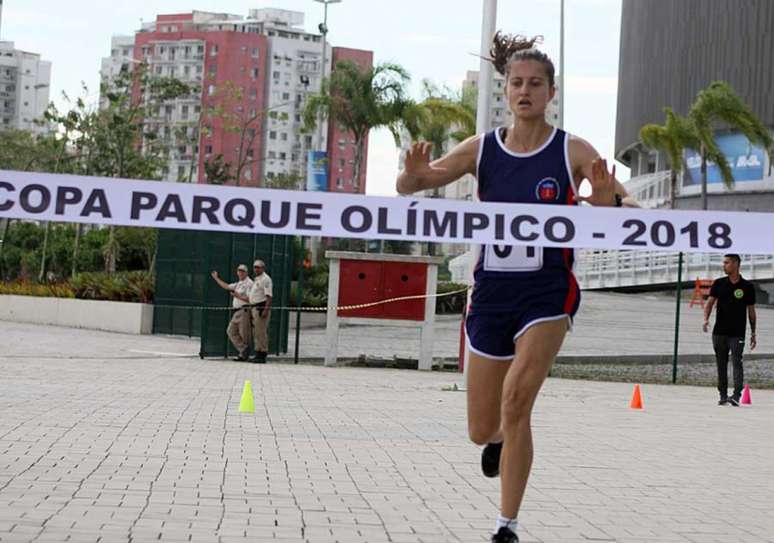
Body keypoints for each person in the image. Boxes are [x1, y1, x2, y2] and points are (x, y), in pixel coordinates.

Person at [396, 33, 638, 543]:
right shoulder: (482, 148)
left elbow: (625, 210)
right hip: (491, 296)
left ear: (552, 92)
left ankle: (506, 525)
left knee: (518, 400)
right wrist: (413, 175)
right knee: (483, 428)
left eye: (535, 84)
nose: (524, 91)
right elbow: (414, 185)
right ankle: (499, 440)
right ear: (505, 92)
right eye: (516, 84)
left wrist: (602, 199)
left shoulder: (571, 149)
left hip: (547, 293)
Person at [703, 254, 757, 406]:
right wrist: (706, 319)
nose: (724, 265)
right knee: (721, 363)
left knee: (737, 362)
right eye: (724, 263)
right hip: (719, 332)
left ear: (735, 264)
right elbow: (709, 303)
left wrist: (753, 333)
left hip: (737, 333)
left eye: (726, 263)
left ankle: (736, 395)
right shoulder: (719, 283)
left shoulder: (747, 287)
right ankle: (723, 394)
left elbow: (751, 312)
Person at [211, 264, 253, 361]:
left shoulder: (249, 283)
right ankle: (243, 350)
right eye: (239, 270)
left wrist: (238, 296)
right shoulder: (239, 283)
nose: (240, 272)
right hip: (237, 311)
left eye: (243, 271)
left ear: (246, 272)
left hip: (244, 310)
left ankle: (243, 355)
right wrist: (216, 278)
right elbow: (227, 286)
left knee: (244, 334)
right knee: (230, 331)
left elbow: (251, 299)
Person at [248, 259, 273, 363]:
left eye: (258, 267)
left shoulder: (266, 279)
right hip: (254, 307)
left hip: (261, 307)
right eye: (255, 267)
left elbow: (269, 296)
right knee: (256, 332)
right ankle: (257, 352)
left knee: (261, 332)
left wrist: (265, 310)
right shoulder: (257, 279)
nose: (256, 269)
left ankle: (262, 354)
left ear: (263, 268)